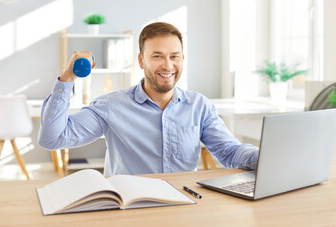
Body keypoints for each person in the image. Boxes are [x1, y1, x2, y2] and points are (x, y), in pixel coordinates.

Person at [38, 22, 259, 176]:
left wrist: (266, 158)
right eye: (157, 56)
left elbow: (230, 152)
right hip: (130, 209)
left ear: (182, 59)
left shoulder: (199, 106)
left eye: (174, 56)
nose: (168, 65)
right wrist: (68, 77)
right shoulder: (111, 106)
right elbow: (52, 139)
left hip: (182, 206)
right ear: (141, 61)